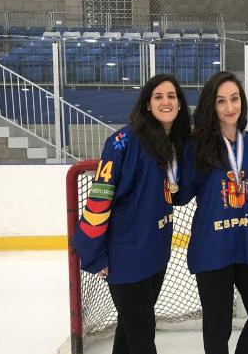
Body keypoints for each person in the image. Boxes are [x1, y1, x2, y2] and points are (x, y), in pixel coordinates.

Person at [72, 74, 191, 354]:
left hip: (155, 254)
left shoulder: (174, 144)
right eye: (158, 96)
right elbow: (99, 199)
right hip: (126, 257)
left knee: (128, 331)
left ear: (180, 104)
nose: (166, 101)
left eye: (171, 96)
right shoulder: (122, 142)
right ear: (148, 104)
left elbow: (176, 193)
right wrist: (93, 252)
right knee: (142, 340)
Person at [175, 71, 248, 354]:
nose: (230, 107)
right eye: (221, 101)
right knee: (217, 327)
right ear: (212, 106)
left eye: (234, 99)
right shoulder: (197, 146)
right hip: (212, 248)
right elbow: (182, 195)